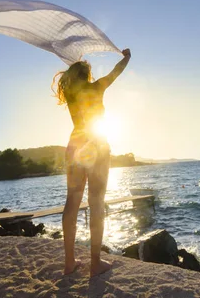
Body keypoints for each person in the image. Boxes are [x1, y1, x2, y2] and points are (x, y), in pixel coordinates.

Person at [53, 48, 131, 277]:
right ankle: (94, 263)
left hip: (75, 146)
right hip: (97, 145)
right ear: (87, 74)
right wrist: (126, 58)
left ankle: (69, 263)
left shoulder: (69, 93)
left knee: (72, 202)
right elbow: (116, 72)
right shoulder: (96, 87)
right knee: (96, 202)